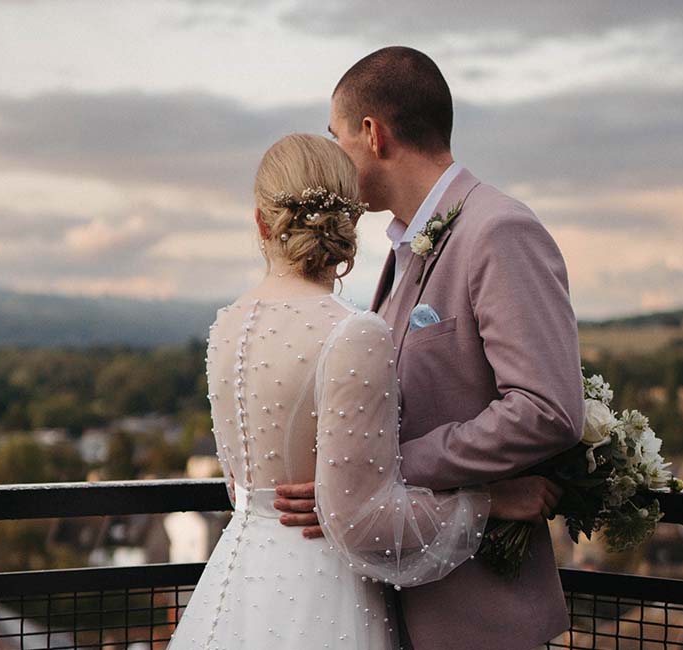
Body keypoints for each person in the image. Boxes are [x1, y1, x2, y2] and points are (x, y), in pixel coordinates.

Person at [166, 132, 560, 650]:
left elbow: (240, 489)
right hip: (323, 591)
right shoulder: (352, 331)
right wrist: (488, 504)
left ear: (261, 223)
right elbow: (361, 518)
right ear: (349, 224)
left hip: (238, 580)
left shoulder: (224, 328)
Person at [272, 46, 584, 650]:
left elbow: (548, 409)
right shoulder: (401, 249)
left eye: (334, 137)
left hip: (480, 616)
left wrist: (384, 472)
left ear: (372, 134)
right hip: (400, 598)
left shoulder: (498, 230)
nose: (331, 157)